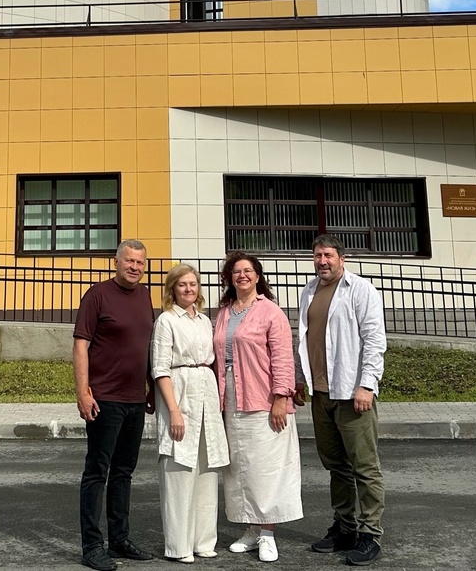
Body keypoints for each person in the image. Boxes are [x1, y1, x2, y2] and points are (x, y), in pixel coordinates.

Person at [294, 234, 387, 567]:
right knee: (336, 466)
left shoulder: (360, 290)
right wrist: (299, 380)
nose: (322, 261)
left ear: (342, 258)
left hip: (351, 393)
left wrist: (367, 385)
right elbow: (304, 340)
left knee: (364, 466)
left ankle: (370, 533)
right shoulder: (308, 291)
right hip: (321, 394)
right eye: (317, 256)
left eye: (328, 255)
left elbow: (375, 342)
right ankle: (345, 527)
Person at [212, 251, 303, 563]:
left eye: (248, 271)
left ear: (258, 276)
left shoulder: (270, 312)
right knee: (239, 467)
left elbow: (282, 357)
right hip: (231, 395)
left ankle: (268, 533)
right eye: (236, 271)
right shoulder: (224, 312)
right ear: (229, 278)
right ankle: (251, 529)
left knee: (265, 467)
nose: (242, 276)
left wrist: (281, 397)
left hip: (263, 397)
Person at [74, 239, 157, 571]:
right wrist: (83, 392)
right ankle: (92, 546)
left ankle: (119, 539)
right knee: (97, 472)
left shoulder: (146, 295)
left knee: (124, 473)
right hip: (104, 399)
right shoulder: (97, 295)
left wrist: (150, 387)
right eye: (129, 261)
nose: (134, 267)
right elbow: (81, 345)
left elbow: (145, 344)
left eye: (140, 262)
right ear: (116, 262)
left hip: (135, 399)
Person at [150, 264, 230, 563]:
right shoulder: (166, 321)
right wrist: (173, 411)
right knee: (179, 470)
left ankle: (203, 540)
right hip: (179, 394)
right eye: (182, 285)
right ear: (172, 289)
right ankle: (179, 546)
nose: (188, 289)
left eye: (193, 284)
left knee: (207, 470)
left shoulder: (204, 322)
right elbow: (159, 368)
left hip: (205, 394)